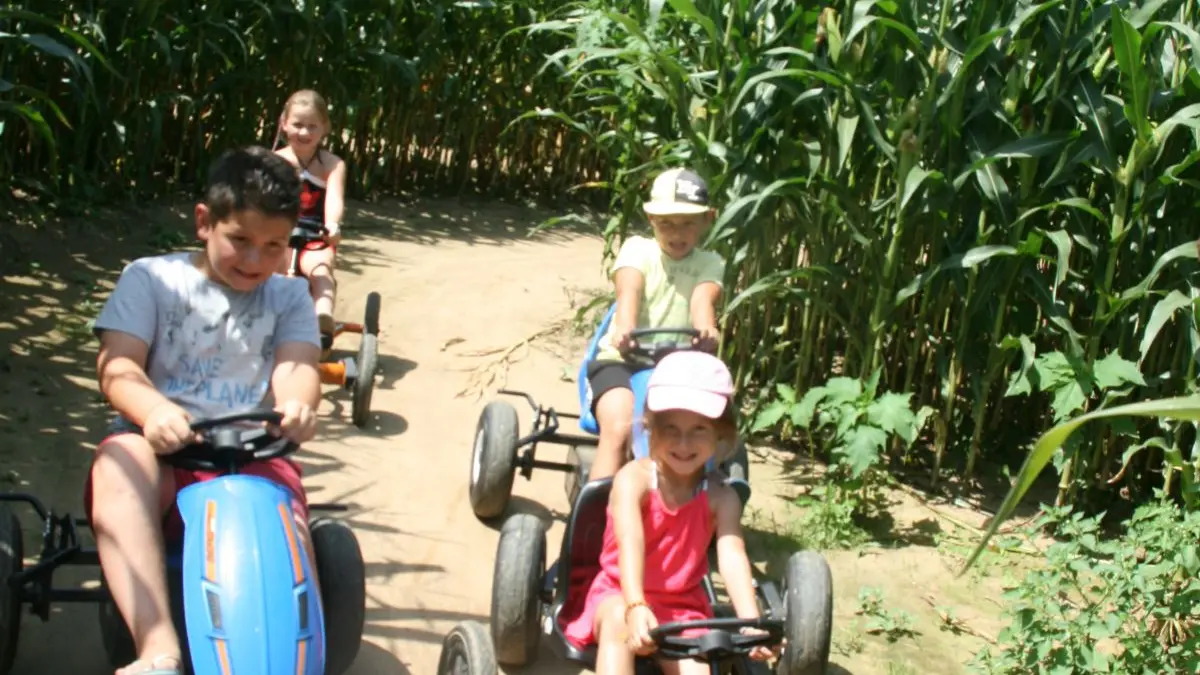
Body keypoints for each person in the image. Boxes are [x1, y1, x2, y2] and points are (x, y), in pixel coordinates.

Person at [86, 146, 322, 675]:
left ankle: (287, 656)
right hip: (162, 451)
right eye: (240, 240)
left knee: (290, 531)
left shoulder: (289, 298)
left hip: (252, 452)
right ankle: (158, 649)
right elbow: (118, 365)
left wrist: (297, 404)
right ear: (204, 223)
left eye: (274, 246)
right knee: (117, 465)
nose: (256, 261)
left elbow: (297, 364)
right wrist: (153, 410)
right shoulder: (151, 279)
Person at [563, 351, 773, 675]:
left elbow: (731, 555)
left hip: (682, 608)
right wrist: (636, 605)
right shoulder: (634, 481)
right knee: (619, 621)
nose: (684, 442)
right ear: (650, 427)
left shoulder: (722, 497)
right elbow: (629, 542)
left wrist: (750, 621)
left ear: (720, 433)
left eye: (699, 429)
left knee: (699, 666)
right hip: (619, 591)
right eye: (671, 428)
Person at [586, 167, 726, 481]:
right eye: (667, 224)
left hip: (677, 371)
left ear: (708, 219)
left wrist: (706, 330)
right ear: (651, 219)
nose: (677, 234)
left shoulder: (709, 263)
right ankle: (598, 520)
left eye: (688, 223)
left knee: (695, 437)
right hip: (621, 363)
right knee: (621, 428)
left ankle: (696, 507)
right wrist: (625, 328)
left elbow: (702, 301)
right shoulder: (638, 249)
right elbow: (629, 289)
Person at [273, 89, 347, 350]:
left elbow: (334, 199)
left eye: (312, 126)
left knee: (321, 270)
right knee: (270, 270)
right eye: (297, 125)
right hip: (279, 233)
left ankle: (321, 318)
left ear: (325, 128)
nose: (304, 133)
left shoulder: (331, 164)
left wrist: (333, 225)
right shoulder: (275, 161)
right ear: (284, 123)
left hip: (316, 235)